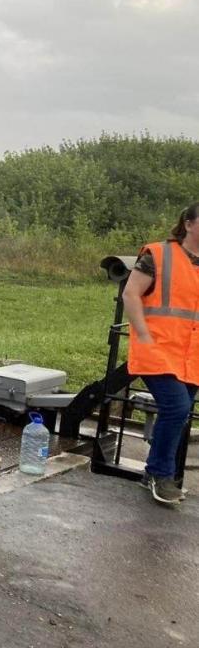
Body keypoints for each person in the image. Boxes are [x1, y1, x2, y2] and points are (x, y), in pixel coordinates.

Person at [122, 201, 199, 504]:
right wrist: (142, 333)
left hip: (191, 356)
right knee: (177, 408)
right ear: (189, 224)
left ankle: (152, 474)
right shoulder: (158, 254)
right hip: (156, 349)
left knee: (180, 414)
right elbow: (131, 293)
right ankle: (159, 474)